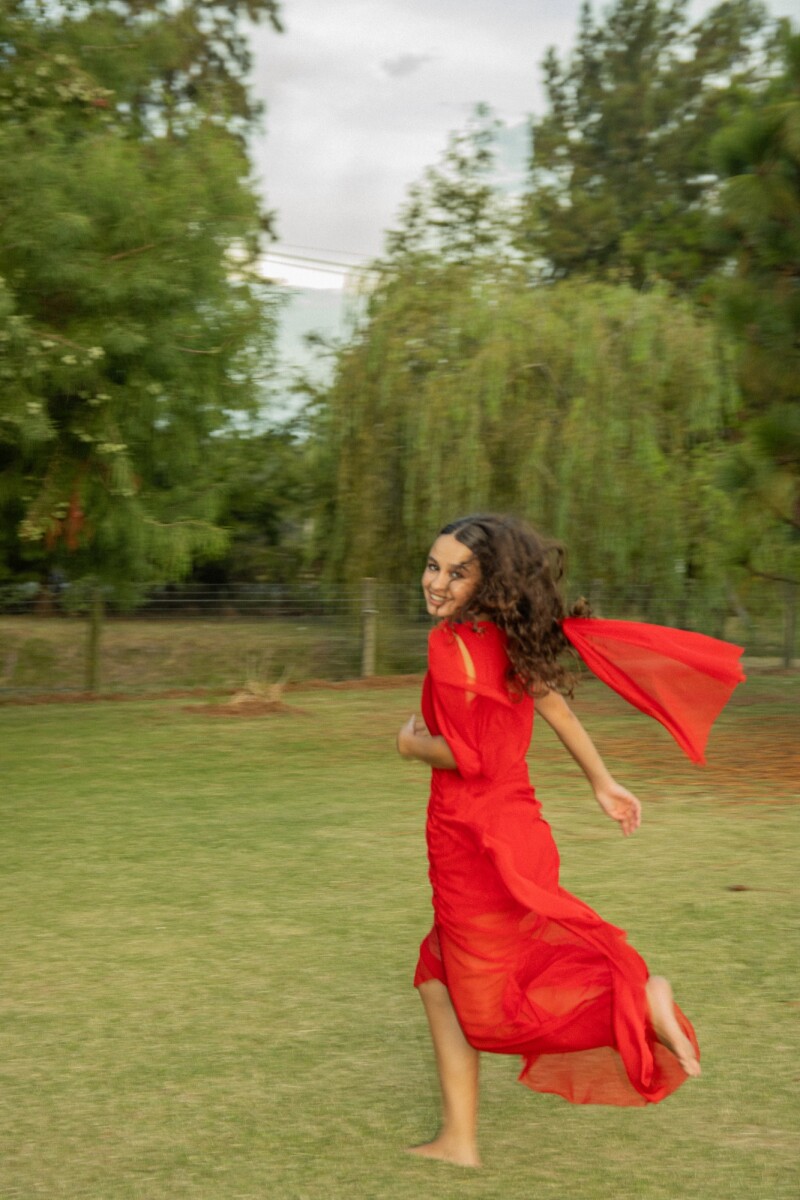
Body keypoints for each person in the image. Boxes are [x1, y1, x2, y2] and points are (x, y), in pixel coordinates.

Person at [396, 514, 744, 1169]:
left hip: (473, 839)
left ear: (487, 582)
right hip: (516, 827)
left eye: (456, 571)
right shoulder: (501, 637)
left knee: (489, 1004)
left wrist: (410, 745)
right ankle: (459, 1141)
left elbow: (468, 758)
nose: (436, 582)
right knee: (436, 975)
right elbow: (553, 704)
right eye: (433, 565)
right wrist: (603, 783)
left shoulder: (452, 645)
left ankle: (638, 1002)